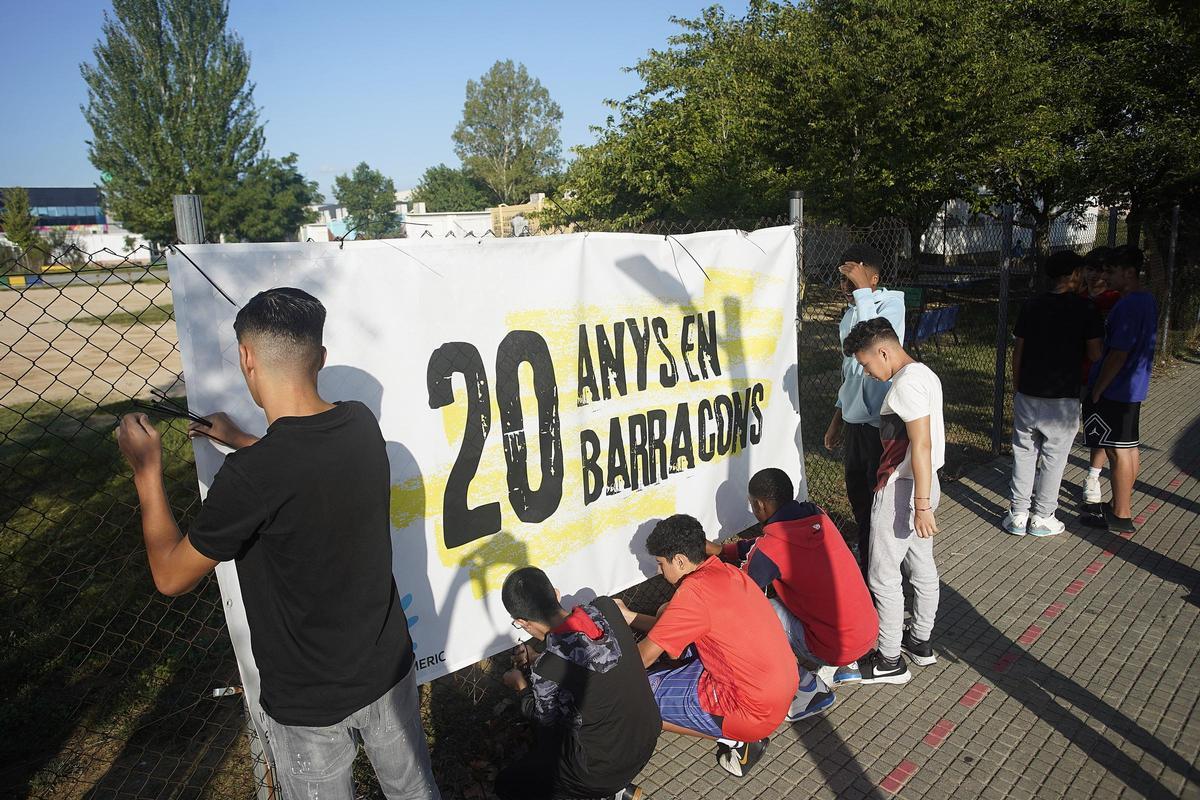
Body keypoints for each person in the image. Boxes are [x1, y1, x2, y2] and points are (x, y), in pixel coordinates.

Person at [115, 288, 439, 800]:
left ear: (246, 358)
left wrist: (146, 473)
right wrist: (243, 439)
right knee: (414, 791)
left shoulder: (250, 479)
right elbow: (302, 464)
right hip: (387, 667)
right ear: (322, 358)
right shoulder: (360, 423)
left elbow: (170, 577)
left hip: (307, 701)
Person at [614, 515, 798, 779]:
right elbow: (673, 625)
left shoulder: (693, 593)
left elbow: (642, 658)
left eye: (660, 563)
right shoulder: (728, 571)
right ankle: (736, 733)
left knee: (633, 701)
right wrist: (630, 616)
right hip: (779, 689)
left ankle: (737, 739)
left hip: (750, 711)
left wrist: (599, 680)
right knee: (667, 614)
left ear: (679, 560)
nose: (659, 571)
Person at [706, 468, 877, 703]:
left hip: (833, 647)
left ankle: (805, 688)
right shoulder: (817, 515)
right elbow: (762, 547)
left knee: (757, 612)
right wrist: (723, 551)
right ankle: (847, 667)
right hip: (866, 633)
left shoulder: (771, 548)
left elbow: (737, 594)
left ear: (760, 505)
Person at [496, 568, 658, 800]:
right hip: (647, 737)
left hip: (601, 772)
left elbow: (545, 723)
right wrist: (540, 660)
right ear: (556, 593)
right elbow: (583, 650)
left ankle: (604, 792)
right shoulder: (606, 608)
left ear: (521, 622)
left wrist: (522, 687)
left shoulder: (547, 670)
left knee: (508, 783)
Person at [842, 318, 944, 685]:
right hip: (924, 485)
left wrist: (919, 503)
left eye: (868, 364)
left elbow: (922, 444)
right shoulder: (925, 374)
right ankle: (920, 641)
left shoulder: (904, 386)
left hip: (903, 488)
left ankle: (888, 659)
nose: (868, 374)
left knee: (883, 575)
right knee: (921, 565)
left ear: (884, 351)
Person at [1003, 250, 1104, 536]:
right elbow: (1096, 354)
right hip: (1063, 397)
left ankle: (1018, 514)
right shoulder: (1086, 309)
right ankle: (1043, 515)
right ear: (1074, 274)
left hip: (1028, 391)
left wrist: (1016, 385)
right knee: (1054, 456)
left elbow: (1018, 349)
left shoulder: (1032, 304)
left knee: (1023, 452)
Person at [824, 244, 907, 576]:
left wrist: (862, 292)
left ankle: (884, 563)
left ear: (873, 277)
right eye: (843, 280)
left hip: (881, 422)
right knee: (857, 492)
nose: (846, 286)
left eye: (853, 278)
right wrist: (837, 417)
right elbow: (850, 371)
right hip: (855, 419)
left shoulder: (891, 304)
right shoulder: (850, 312)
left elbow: (877, 342)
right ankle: (868, 549)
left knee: (880, 498)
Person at [1082, 245, 1158, 533]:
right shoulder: (1145, 299)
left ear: (1129, 273)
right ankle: (1119, 504)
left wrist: (1099, 388)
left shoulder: (1128, 305)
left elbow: (1118, 353)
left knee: (1116, 450)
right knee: (1128, 447)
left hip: (1118, 388)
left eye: (1112, 272)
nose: (1106, 277)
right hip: (1133, 386)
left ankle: (1121, 513)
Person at [1080, 247, 1123, 504]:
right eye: (1091, 269)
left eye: (1101, 270)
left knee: (1098, 429)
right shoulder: (1077, 296)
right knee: (1063, 425)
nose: (1096, 275)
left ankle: (1093, 478)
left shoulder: (1115, 300)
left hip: (1100, 375)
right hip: (1072, 373)